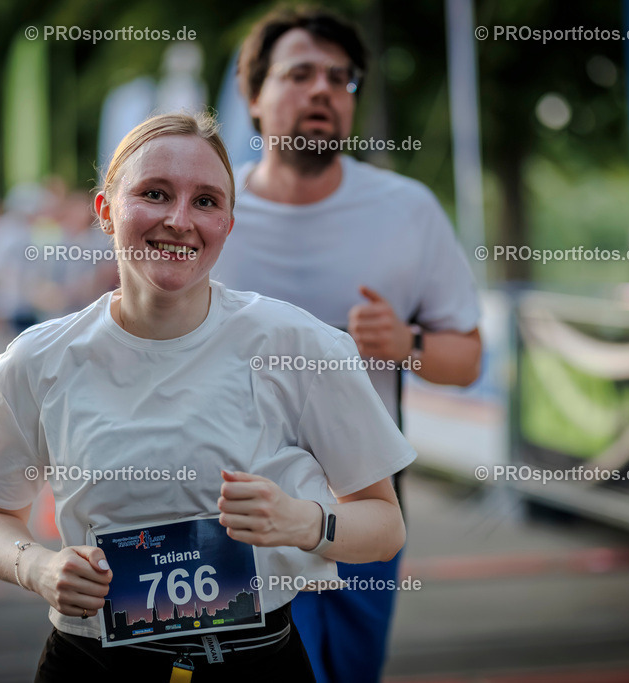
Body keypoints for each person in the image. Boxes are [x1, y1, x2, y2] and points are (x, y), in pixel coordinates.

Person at [0, 113, 415, 682]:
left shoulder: (299, 345)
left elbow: (383, 525)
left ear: (228, 222)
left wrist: (303, 521)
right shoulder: (38, 359)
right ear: (105, 211)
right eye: (154, 194)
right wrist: (41, 568)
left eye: (205, 201)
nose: (179, 221)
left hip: (257, 663)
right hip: (91, 664)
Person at [213, 7, 482, 682]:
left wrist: (408, 341)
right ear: (253, 96)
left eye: (341, 78)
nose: (323, 91)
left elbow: (468, 358)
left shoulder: (407, 208)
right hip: (233, 508)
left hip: (364, 500)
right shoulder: (211, 212)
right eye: (299, 73)